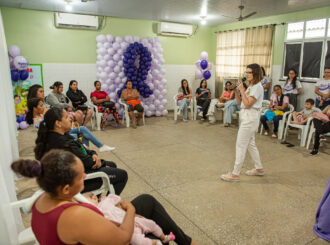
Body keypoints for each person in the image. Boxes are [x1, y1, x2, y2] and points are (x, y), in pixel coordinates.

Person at [11, 150, 198, 245]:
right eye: (81, 175)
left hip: (99, 225)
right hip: (115, 237)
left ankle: (186, 242)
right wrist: (130, 212)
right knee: (150, 234)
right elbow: (123, 238)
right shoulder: (73, 216)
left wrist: (114, 211)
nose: (85, 176)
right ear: (67, 188)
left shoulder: (44, 197)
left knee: (146, 200)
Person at [34, 108, 126, 194]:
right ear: (58, 123)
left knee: (112, 165)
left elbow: (82, 146)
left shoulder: (61, 135)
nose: (70, 117)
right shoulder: (63, 143)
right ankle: (105, 204)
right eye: (66, 117)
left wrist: (93, 153)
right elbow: (88, 163)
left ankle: (98, 199)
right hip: (77, 181)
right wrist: (102, 163)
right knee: (122, 175)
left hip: (79, 170)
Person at [221, 63, 264, 182]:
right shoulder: (251, 86)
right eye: (246, 72)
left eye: (249, 72)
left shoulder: (257, 87)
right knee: (251, 144)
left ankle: (235, 174)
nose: (247, 74)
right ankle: (259, 168)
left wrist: (242, 90)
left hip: (250, 118)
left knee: (241, 145)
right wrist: (236, 92)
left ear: (255, 73)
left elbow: (249, 104)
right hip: (246, 116)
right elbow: (242, 103)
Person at [83, 193, 176, 245]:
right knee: (136, 240)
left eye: (86, 203)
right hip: (127, 229)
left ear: (94, 198)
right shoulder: (92, 215)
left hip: (133, 219)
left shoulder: (105, 202)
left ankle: (164, 237)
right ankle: (154, 242)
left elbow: (116, 198)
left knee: (151, 224)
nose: (86, 207)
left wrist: (107, 199)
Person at [26, 97, 114, 152]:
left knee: (82, 128)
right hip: (57, 134)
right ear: (34, 108)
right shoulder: (37, 121)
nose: (43, 107)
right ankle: (87, 153)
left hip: (61, 130)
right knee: (82, 136)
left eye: (43, 105)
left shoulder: (42, 114)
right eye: (41, 106)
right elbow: (49, 129)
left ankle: (100, 146)